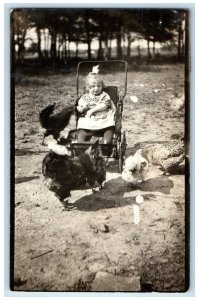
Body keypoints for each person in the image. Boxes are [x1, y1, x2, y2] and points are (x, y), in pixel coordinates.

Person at [76, 71, 116, 146]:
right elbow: (81, 104)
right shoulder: (85, 97)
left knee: (109, 125)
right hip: (89, 120)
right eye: (93, 86)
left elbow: (105, 105)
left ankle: (106, 144)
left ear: (102, 86)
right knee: (82, 124)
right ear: (88, 87)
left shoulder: (104, 95)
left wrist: (92, 110)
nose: (96, 88)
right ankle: (81, 143)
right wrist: (81, 108)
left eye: (99, 85)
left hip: (103, 116)